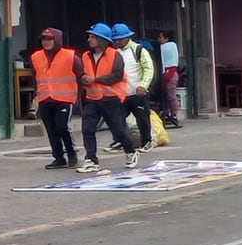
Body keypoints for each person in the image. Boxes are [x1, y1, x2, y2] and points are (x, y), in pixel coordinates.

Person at [78, 23, 139, 172]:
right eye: (89, 36)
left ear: (102, 39)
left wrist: (95, 79)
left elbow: (117, 75)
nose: (89, 40)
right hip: (92, 98)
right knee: (87, 129)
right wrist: (83, 77)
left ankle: (131, 151)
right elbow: (81, 73)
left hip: (111, 98)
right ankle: (91, 160)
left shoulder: (114, 54)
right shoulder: (86, 56)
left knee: (117, 130)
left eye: (93, 37)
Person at [29, 27, 81, 169]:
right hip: (45, 98)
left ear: (57, 40)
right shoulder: (36, 57)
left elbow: (80, 76)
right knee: (51, 131)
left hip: (65, 99)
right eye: (44, 39)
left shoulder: (70, 56)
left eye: (49, 39)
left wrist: (79, 99)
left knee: (62, 127)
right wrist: (37, 94)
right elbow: (35, 77)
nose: (46, 42)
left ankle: (71, 153)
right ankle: (58, 157)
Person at [113, 25, 157, 151]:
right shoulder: (115, 52)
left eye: (120, 39)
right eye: (115, 39)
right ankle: (120, 141)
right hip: (121, 93)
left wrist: (143, 85)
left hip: (138, 92)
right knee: (117, 118)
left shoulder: (138, 50)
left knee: (142, 119)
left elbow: (149, 68)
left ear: (127, 37)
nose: (117, 42)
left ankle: (146, 142)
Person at [156, 28, 182, 126]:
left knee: (171, 96)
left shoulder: (166, 47)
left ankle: (173, 115)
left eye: (160, 37)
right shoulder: (172, 46)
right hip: (168, 71)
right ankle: (168, 114)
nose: (159, 39)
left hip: (170, 72)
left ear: (166, 38)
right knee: (167, 96)